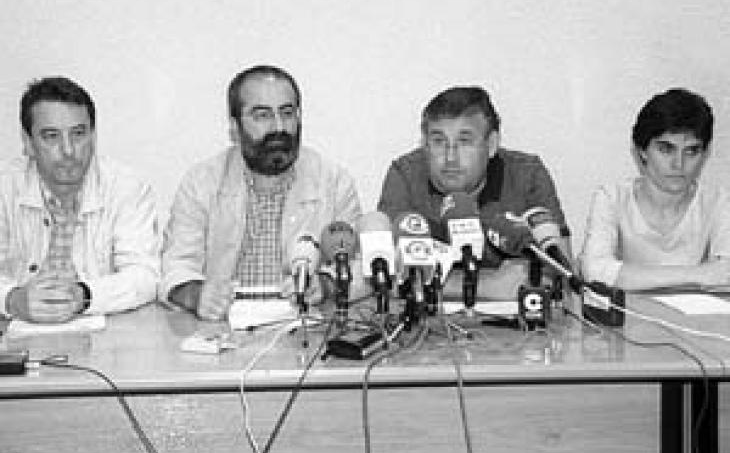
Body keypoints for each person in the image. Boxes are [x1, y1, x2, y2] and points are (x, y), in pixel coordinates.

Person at [161, 65, 362, 321]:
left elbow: (359, 265)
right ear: (235, 126)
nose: (278, 127)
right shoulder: (201, 183)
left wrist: (325, 284)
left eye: (287, 113)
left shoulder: (333, 182)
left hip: (303, 328)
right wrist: (196, 294)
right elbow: (175, 267)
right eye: (262, 115)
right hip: (223, 328)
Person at [378, 86, 570, 299]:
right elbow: (385, 279)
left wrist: (440, 282)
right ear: (425, 144)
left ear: (491, 144)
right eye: (439, 141)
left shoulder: (526, 175)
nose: (450, 157)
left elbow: (561, 274)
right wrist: (489, 285)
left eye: (464, 141)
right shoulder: (406, 175)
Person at [0, 77, 160, 323]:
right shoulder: (5, 188)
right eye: (51, 136)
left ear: (93, 136)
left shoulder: (126, 188)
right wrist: (11, 299)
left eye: (78, 134)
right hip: (14, 332)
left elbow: (145, 277)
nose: (68, 150)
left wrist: (83, 296)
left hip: (106, 334)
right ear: (28, 143)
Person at [580, 88, 730, 291]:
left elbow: (725, 274)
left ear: (704, 153)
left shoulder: (718, 201)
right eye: (666, 149)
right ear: (642, 150)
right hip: (628, 312)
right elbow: (595, 271)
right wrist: (700, 274)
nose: (678, 164)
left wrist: (626, 276)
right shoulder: (612, 198)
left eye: (691, 151)